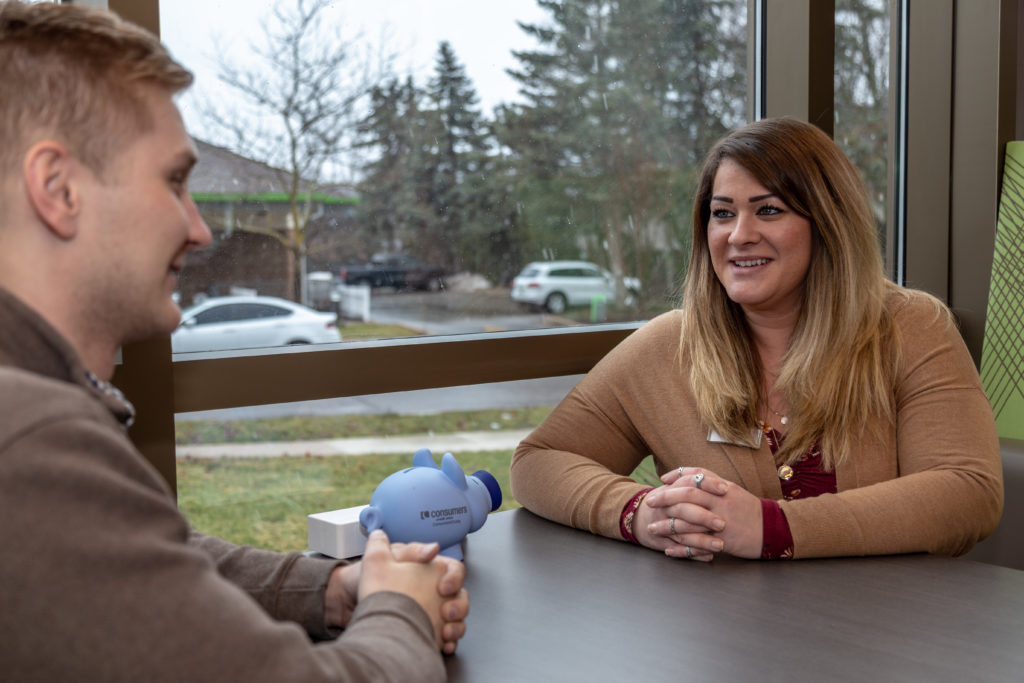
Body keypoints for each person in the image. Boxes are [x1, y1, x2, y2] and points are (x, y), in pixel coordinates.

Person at [0, 2, 467, 681]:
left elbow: (137, 557)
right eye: (175, 181)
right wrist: (402, 609)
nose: (200, 230)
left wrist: (330, 589)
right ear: (58, 188)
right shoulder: (30, 440)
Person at [510, 117, 1003, 561]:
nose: (738, 235)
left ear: (828, 224)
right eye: (722, 213)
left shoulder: (911, 327)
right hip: (734, 642)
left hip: (893, 638)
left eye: (768, 210)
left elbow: (968, 493)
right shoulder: (668, 346)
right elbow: (538, 463)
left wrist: (773, 527)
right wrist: (641, 513)